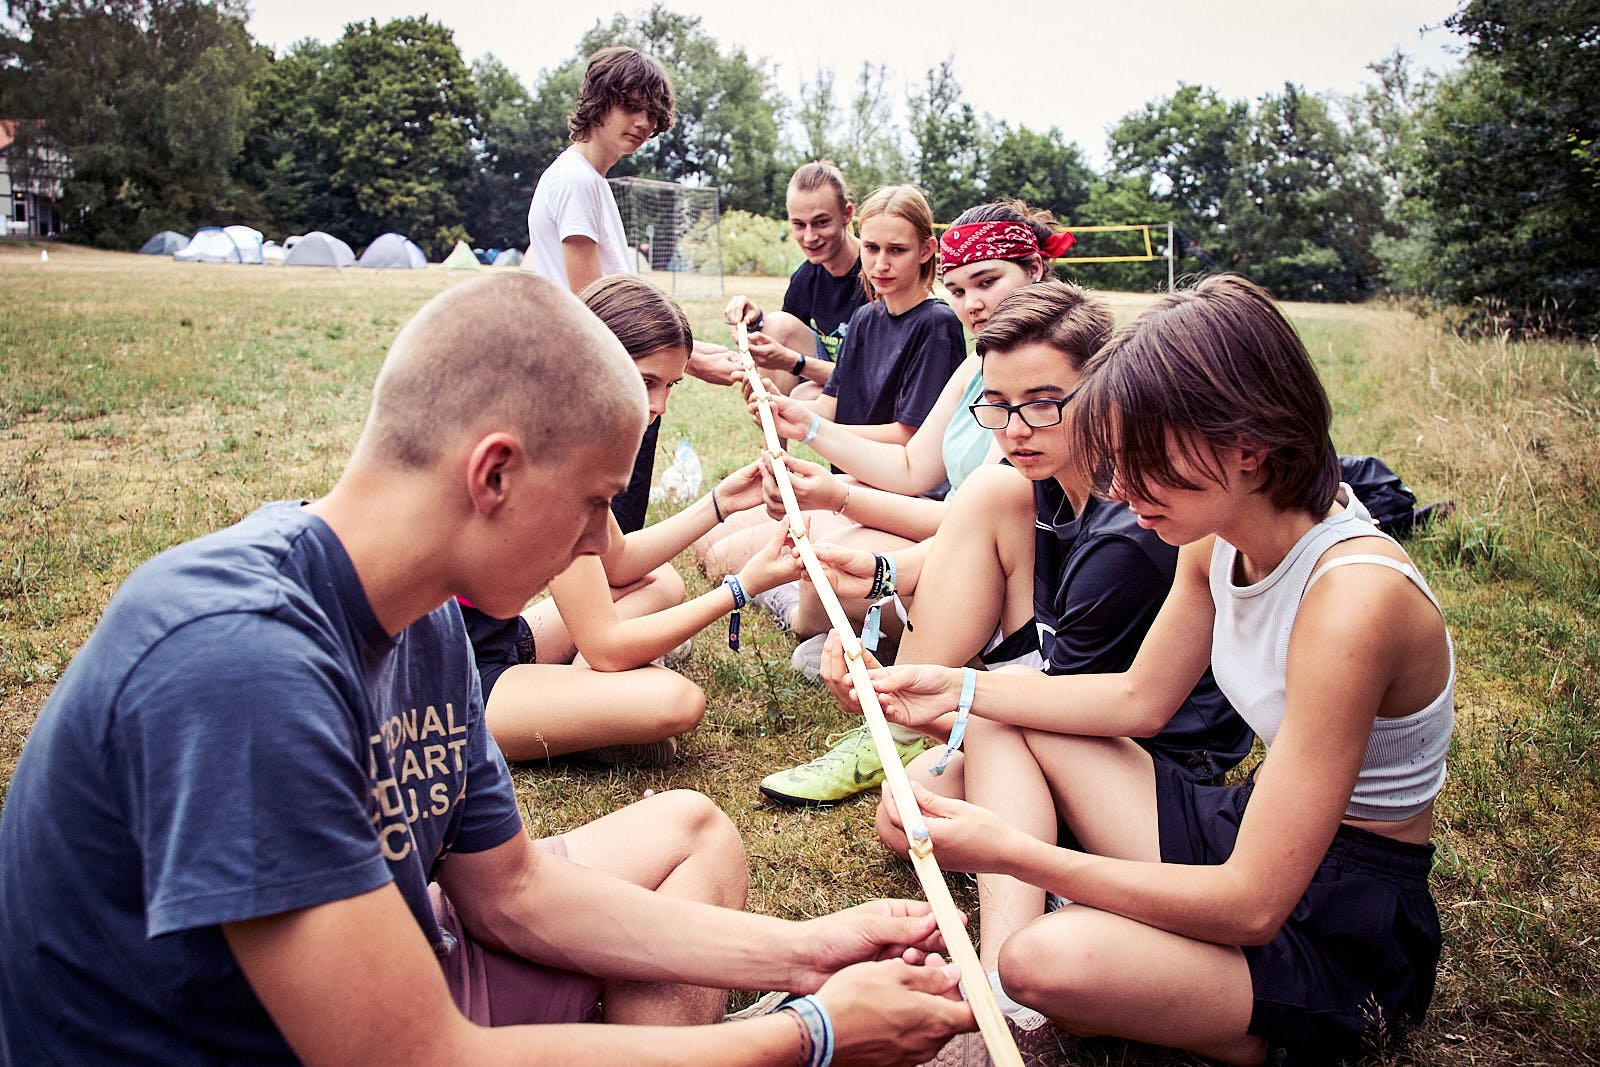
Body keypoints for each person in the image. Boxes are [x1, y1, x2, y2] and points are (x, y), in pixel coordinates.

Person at [0, 273, 975, 1065]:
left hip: (411, 959)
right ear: (494, 472)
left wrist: (811, 948)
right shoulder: (236, 661)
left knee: (691, 829)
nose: (601, 536)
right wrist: (810, 1032)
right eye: (593, 500)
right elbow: (412, 1053)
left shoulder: (420, 622)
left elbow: (510, 891)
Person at [863, 274, 1453, 1065]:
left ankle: (1051, 961)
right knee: (1013, 710)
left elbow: (1250, 906)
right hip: (1258, 826)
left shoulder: (1354, 600)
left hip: (1344, 915)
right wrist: (956, 687)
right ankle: (1008, 995)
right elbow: (1139, 699)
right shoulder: (1217, 536)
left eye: (1146, 463)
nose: (1122, 491)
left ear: (1250, 446)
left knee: (1055, 959)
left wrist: (1012, 849)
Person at [461, 275, 798, 767]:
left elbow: (618, 563)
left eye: (669, 386)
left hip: (495, 637)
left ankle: (579, 707)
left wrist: (719, 503)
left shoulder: (560, 428)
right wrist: (740, 589)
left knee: (659, 580)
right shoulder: (551, 465)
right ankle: (585, 711)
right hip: (452, 686)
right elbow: (605, 647)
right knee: (674, 701)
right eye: (645, 382)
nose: (658, 405)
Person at [696, 183, 965, 584]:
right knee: (710, 540)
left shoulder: (936, 325)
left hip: (898, 492)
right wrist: (780, 407)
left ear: (926, 251)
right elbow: (833, 405)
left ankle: (799, 600)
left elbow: (906, 439)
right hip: (847, 478)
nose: (880, 264)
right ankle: (796, 583)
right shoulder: (866, 318)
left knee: (723, 557)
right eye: (872, 248)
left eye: (897, 250)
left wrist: (811, 429)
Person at [525, 44, 741, 533]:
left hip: (607, 365)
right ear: (599, 101)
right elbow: (597, 309)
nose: (644, 123)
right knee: (609, 527)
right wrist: (686, 363)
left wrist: (692, 349)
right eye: (632, 106)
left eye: (652, 113)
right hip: (601, 376)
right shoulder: (577, 183)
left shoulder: (587, 180)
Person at [724, 161, 866, 399]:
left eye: (821, 222)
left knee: (805, 397)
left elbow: (875, 376)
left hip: (873, 386)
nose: (810, 237)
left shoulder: (878, 272)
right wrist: (756, 323)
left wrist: (797, 363)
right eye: (799, 225)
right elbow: (780, 343)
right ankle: (772, 435)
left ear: (847, 215)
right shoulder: (805, 277)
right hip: (829, 379)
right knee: (776, 324)